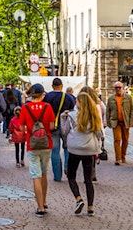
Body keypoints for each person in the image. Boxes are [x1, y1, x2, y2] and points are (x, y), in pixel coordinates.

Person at [60, 91, 103, 216]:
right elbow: (99, 133)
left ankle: (78, 199)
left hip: (74, 149)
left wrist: (63, 118)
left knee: (71, 176)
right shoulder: (94, 115)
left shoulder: (72, 116)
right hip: (89, 150)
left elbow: (64, 131)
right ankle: (90, 207)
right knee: (88, 179)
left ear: (79, 103)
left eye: (77, 101)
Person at [21, 83, 56, 216]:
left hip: (32, 144)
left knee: (36, 175)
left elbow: (21, 128)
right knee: (44, 173)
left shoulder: (25, 108)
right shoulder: (48, 107)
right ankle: (45, 201)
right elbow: (52, 126)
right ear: (42, 95)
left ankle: (40, 207)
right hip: (47, 144)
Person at [44, 77, 76, 182]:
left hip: (52, 126)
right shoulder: (68, 97)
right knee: (67, 148)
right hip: (66, 126)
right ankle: (67, 166)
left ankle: (57, 176)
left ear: (52, 86)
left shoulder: (47, 97)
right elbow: (73, 110)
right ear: (62, 86)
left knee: (55, 151)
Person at [106, 81, 133, 166]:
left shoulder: (129, 98)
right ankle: (117, 158)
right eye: (116, 88)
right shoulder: (111, 98)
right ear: (114, 89)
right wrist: (108, 122)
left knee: (125, 140)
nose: (118, 89)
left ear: (123, 88)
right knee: (117, 139)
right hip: (115, 122)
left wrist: (132, 121)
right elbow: (108, 111)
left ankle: (123, 156)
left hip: (125, 121)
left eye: (119, 87)